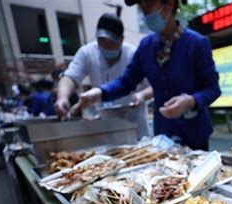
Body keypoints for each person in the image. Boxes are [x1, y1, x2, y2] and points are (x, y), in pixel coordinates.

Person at [72, 0, 221, 150]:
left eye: (149, 6)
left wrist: (190, 101)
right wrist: (98, 93)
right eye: (142, 9)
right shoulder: (147, 46)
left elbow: (213, 89)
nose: (146, 14)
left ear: (169, 4)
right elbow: (126, 81)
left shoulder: (196, 43)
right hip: (163, 135)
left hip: (194, 132)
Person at [54, 13, 150, 138]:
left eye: (111, 43)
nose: (106, 47)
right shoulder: (87, 52)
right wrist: (62, 97)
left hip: (134, 125)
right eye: (101, 42)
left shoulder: (134, 55)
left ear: (121, 39)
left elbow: (151, 85)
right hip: (105, 126)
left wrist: (142, 95)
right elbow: (70, 76)